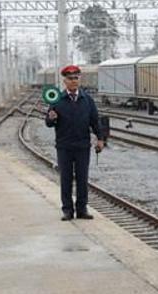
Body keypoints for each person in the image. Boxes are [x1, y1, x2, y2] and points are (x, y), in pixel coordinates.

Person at [45, 65, 106, 221]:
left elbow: (95, 121)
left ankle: (82, 209)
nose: (73, 81)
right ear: (64, 81)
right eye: (70, 78)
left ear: (80, 79)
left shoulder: (87, 100)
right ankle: (67, 210)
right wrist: (51, 118)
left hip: (82, 146)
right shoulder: (57, 100)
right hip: (64, 146)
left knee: (82, 179)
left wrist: (100, 139)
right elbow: (49, 123)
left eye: (76, 78)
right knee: (65, 179)